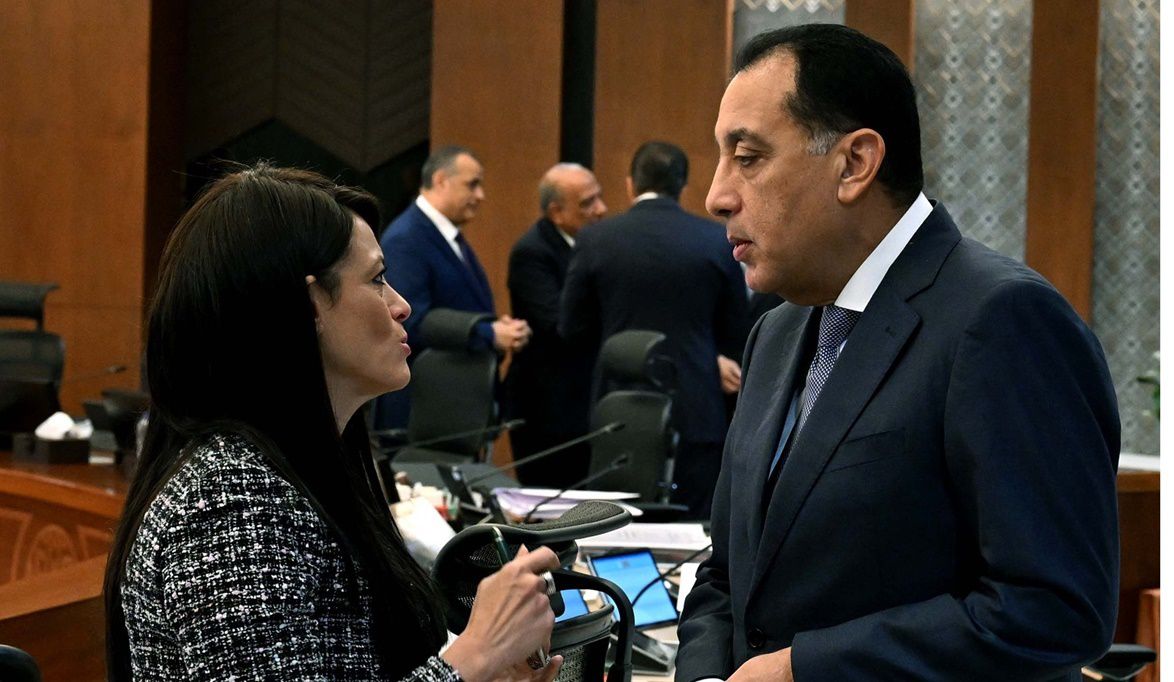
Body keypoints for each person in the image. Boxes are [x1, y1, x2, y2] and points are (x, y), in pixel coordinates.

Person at [675, 25, 1120, 681]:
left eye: (748, 158)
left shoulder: (1004, 320)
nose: (717, 195)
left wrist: (805, 669)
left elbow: (1054, 610)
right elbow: (727, 576)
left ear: (855, 163)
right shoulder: (775, 333)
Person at [103, 164, 562, 681]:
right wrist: (475, 655)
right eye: (377, 279)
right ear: (310, 306)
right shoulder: (233, 498)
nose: (401, 306)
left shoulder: (296, 471)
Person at [560, 141, 749, 518]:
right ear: (683, 186)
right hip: (697, 407)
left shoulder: (596, 239)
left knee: (613, 526)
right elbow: (737, 330)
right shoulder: (715, 241)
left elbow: (571, 328)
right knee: (692, 527)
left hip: (618, 409)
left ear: (631, 183)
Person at [374, 145, 532, 429]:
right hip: (422, 412)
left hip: (454, 405)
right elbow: (410, 321)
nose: (480, 195)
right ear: (440, 181)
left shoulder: (444, 234)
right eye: (472, 184)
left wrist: (495, 326)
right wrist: (488, 334)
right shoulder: (407, 238)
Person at [504, 163, 607, 487]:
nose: (601, 209)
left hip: (582, 402)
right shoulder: (532, 252)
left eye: (599, 197)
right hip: (546, 410)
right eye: (588, 203)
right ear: (556, 212)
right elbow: (558, 324)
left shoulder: (592, 245)